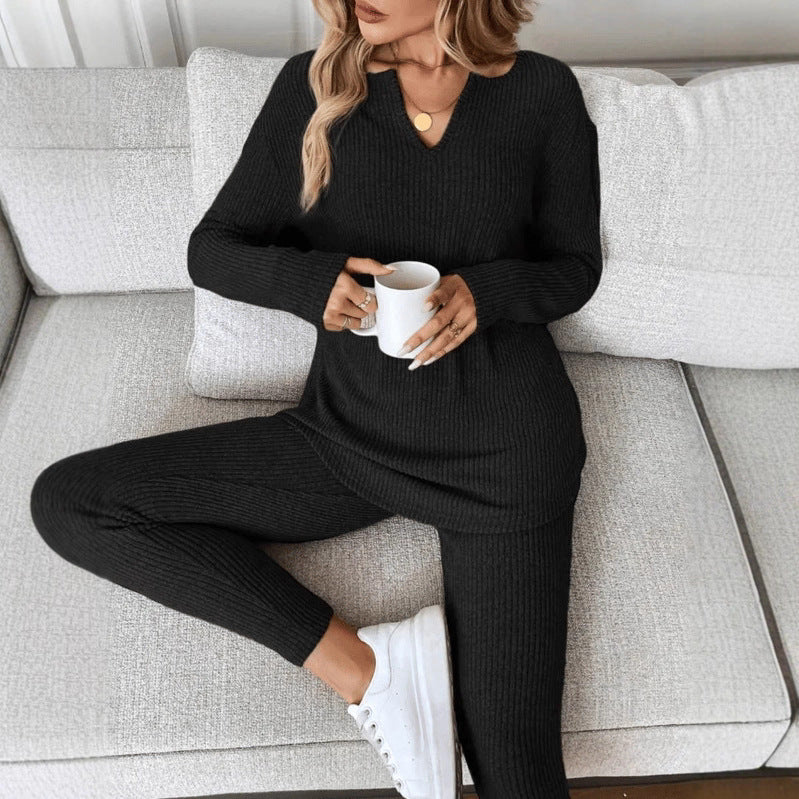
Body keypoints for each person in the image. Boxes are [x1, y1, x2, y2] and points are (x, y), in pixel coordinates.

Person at [29, 0, 602, 797]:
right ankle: (370, 670)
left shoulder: (541, 92)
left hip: (504, 455)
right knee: (72, 501)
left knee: (517, 772)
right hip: (345, 435)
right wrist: (308, 282)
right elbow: (212, 248)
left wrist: (489, 291)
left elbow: (575, 267)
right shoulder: (316, 88)